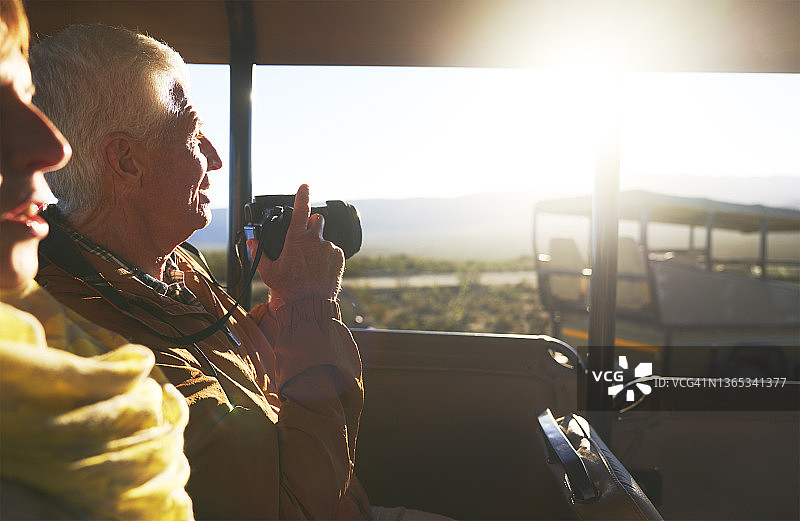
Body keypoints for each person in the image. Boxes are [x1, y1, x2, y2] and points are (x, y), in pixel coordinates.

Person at [31, 23, 374, 520]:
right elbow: (292, 510)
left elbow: (235, 368)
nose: (214, 158)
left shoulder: (168, 267)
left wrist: (283, 303)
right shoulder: (100, 347)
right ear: (126, 162)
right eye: (192, 136)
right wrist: (307, 306)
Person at [0, 1, 193, 519]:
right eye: (194, 136)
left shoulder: (185, 272)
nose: (52, 147)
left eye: (25, 99)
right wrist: (307, 317)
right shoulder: (92, 316)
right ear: (126, 160)